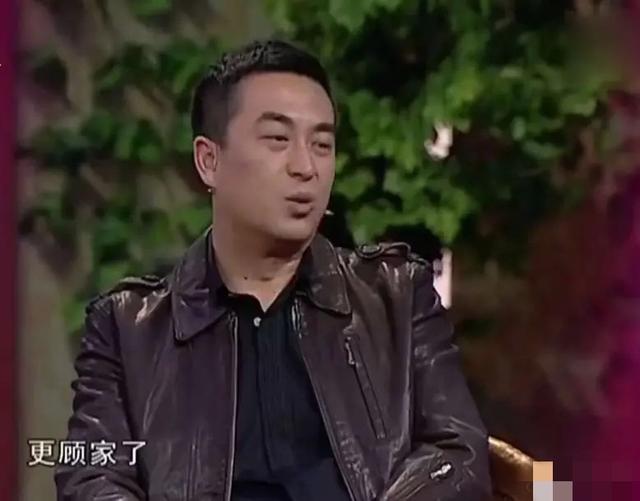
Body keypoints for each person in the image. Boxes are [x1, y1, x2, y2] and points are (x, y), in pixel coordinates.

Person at [55, 39, 491, 501]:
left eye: (322, 144)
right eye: (278, 140)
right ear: (209, 161)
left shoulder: (396, 298)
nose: (306, 167)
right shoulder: (128, 329)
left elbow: (458, 452)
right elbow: (91, 477)